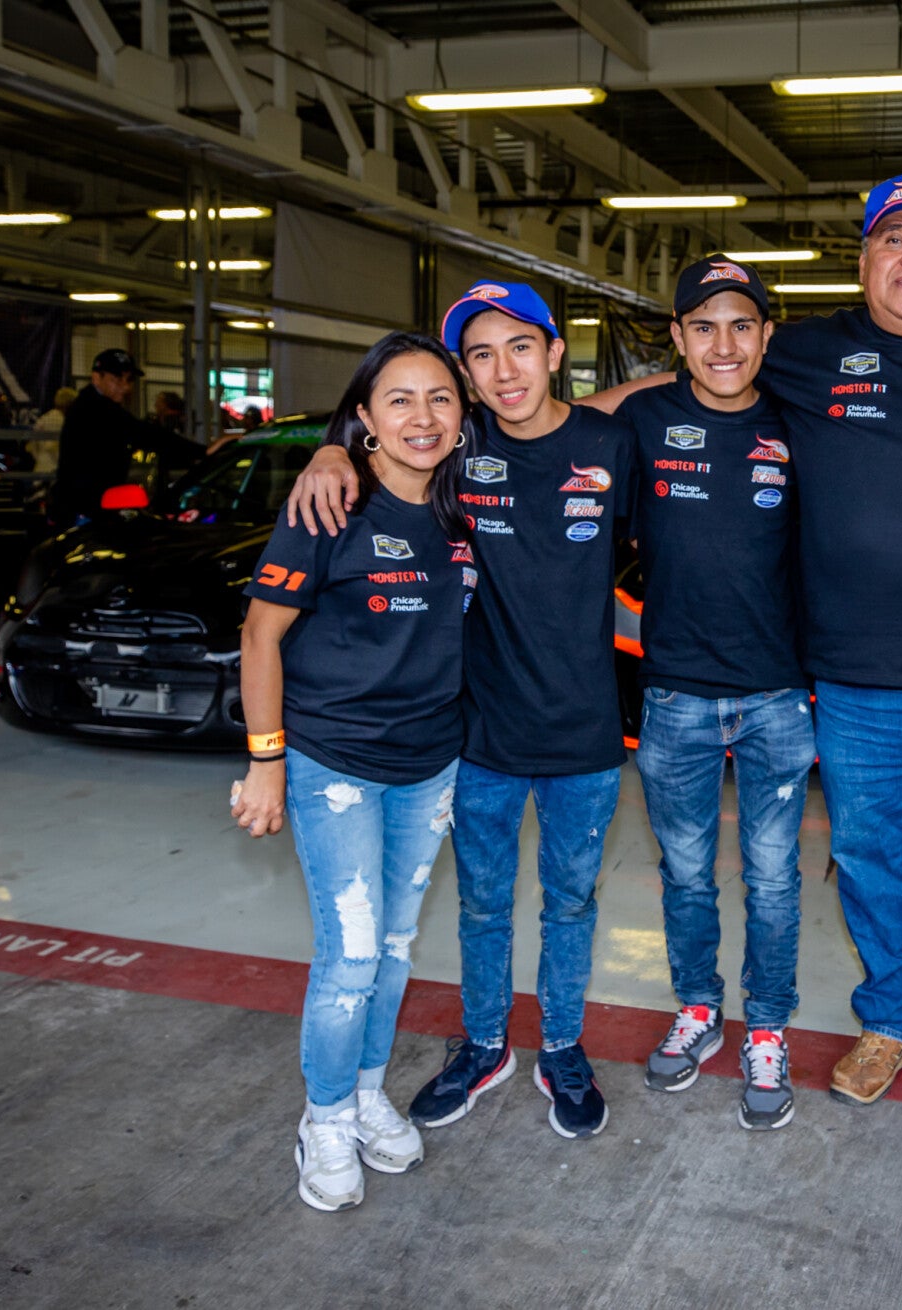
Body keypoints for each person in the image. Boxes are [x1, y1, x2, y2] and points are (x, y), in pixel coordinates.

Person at [594, 177, 902, 1135]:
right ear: (862, 261)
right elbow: (660, 393)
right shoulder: (804, 351)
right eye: (892, 239)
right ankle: (892, 1024)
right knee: (868, 864)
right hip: (853, 680)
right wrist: (370, 442)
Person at [288, 282, 635, 1141]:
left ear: (555, 353)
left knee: (570, 905)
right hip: (476, 734)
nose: (503, 369)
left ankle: (561, 1048)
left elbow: (675, 401)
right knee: (481, 904)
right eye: (481, 355)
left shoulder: (610, 444)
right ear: (466, 376)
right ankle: (484, 1044)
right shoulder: (453, 443)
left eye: (520, 347)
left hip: (586, 732)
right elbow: (378, 430)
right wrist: (328, 452)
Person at [229, 331, 474, 1212]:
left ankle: (366, 1094)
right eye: (399, 399)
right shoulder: (328, 505)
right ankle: (325, 1117)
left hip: (429, 764)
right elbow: (259, 636)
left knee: (396, 951)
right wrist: (265, 762)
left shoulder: (465, 506)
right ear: (365, 416)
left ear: (463, 414)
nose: (422, 417)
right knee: (353, 956)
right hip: (333, 762)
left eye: (440, 397)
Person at [620, 258, 813, 1131]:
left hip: (779, 695)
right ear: (677, 338)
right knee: (687, 874)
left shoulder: (800, 422)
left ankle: (766, 1027)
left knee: (773, 879)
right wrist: (339, 445)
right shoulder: (643, 420)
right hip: (675, 696)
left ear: (766, 336)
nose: (723, 344)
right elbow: (544, 433)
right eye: (703, 327)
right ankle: (698, 1007)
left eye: (741, 325)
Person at [49, 348, 195, 524]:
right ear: (96, 377)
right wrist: (201, 452)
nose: (125, 387)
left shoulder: (93, 406)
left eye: (129, 380)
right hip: (84, 512)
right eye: (117, 379)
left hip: (84, 508)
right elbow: (145, 434)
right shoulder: (96, 410)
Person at [27, 385, 78, 475]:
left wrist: (40, 458)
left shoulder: (43, 418)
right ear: (69, 404)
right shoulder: (62, 422)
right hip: (55, 472)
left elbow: (33, 446)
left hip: (40, 469)